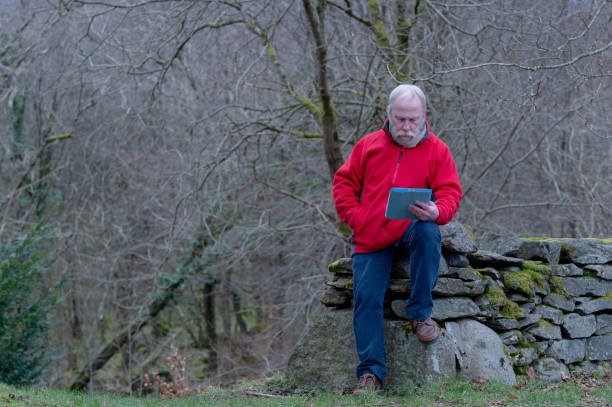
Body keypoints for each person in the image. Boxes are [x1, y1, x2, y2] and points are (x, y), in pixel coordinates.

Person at [332, 84, 462, 394]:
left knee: (430, 232)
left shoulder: (438, 150)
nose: (406, 126)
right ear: (388, 114)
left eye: (412, 119)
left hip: (411, 230)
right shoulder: (368, 146)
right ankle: (371, 374)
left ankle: (419, 314)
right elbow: (343, 184)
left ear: (423, 116)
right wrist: (358, 219)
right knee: (366, 299)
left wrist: (436, 210)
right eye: (400, 118)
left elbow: (450, 192)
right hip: (371, 237)